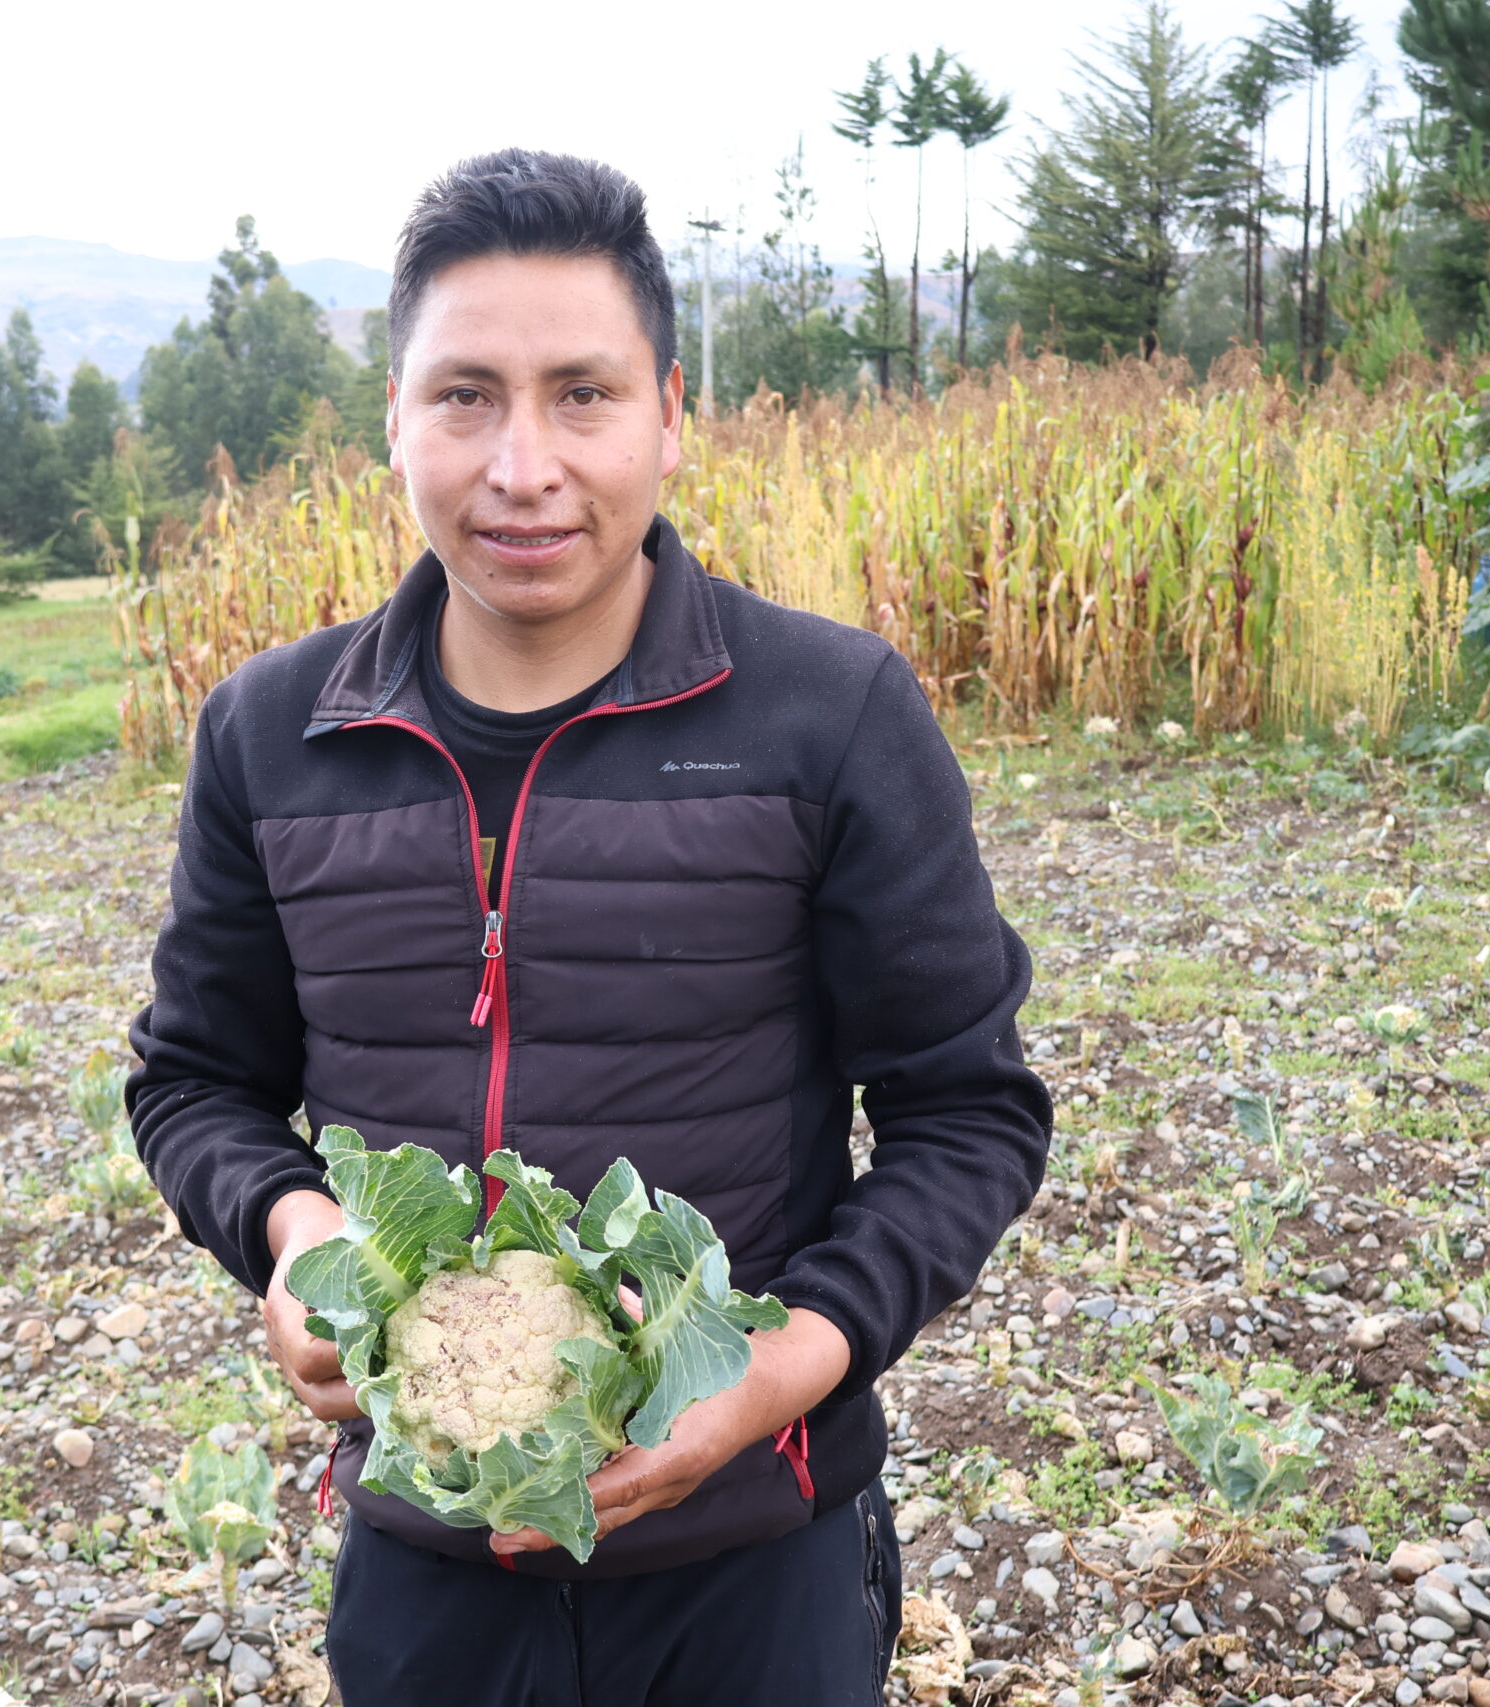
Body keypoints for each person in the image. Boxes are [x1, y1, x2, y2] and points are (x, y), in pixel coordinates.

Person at [126, 147, 1052, 1707]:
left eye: (583, 395)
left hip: (758, 1558)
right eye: (466, 396)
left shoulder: (828, 718)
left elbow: (968, 1114)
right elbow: (194, 1080)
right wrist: (296, 1237)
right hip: (427, 1556)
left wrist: (782, 1370)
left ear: (671, 417)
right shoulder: (272, 736)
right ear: (398, 425)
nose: (523, 465)